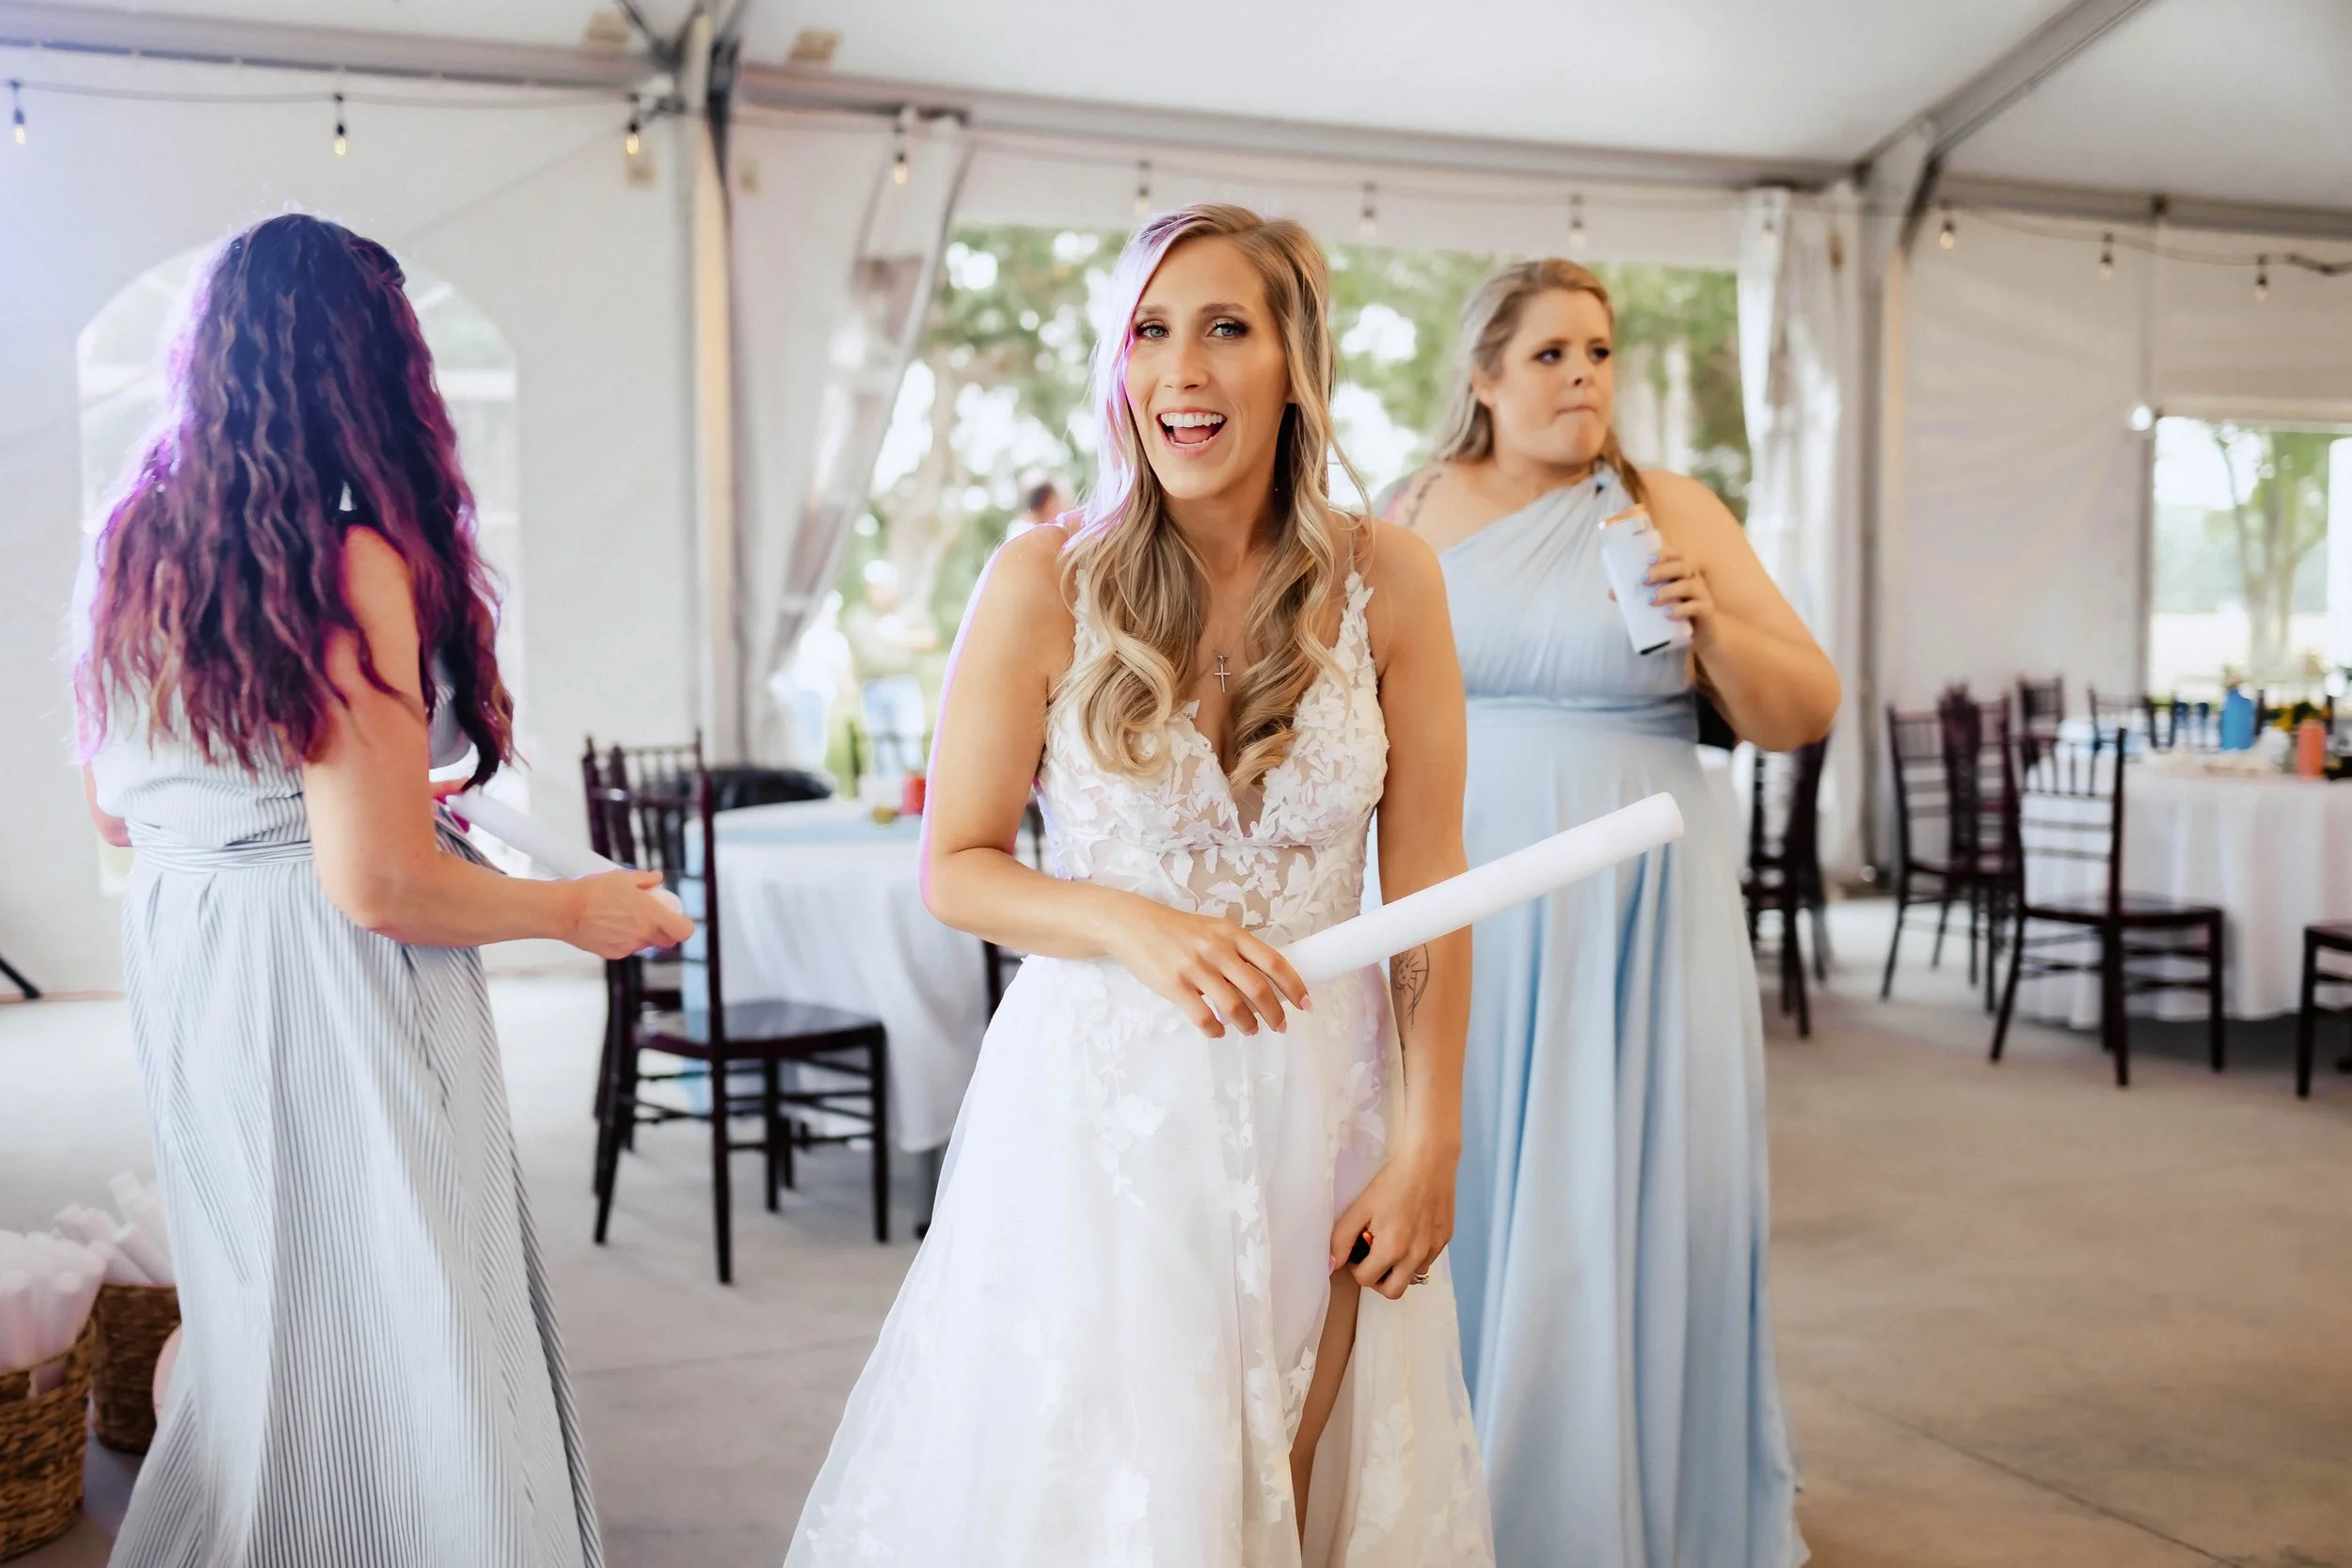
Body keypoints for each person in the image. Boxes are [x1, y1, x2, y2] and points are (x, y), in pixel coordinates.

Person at [785, 204, 1492, 1565]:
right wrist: (1124, 919)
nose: (1182, 371)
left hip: (1326, 1104)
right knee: (1123, 1502)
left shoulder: (1392, 578)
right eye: (1149, 332)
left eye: (1227, 328)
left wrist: (1428, 1139)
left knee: (1292, 1485)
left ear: (1296, 359)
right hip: (1105, 1115)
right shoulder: (1042, 578)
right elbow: (960, 867)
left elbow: (1432, 883)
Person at [74, 214, 691, 1566]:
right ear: (369, 367)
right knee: (414, 1297)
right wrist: (572, 910)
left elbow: (121, 803)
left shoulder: (134, 542)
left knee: (266, 1289)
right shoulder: (343, 558)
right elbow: (377, 882)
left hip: (192, 951)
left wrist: (336, 799)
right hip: (332, 978)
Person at [1381, 259, 1836, 1568]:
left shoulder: (1664, 507)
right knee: (1451, 1169)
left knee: (1635, 1184)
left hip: (1643, 899)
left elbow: (1802, 707)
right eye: (1550, 354)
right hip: (1457, 890)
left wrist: (1711, 637)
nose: (1585, 376)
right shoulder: (1407, 511)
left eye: (1600, 351)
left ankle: (1618, 1504)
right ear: (1482, 375)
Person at [841, 558, 937, 784]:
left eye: (883, 586)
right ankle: (890, 799)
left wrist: (902, 638)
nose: (878, 592)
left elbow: (930, 638)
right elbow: (851, 652)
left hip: (903, 685)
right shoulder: (858, 616)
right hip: (872, 687)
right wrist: (847, 681)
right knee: (880, 747)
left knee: (909, 743)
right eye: (873, 587)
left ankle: (915, 799)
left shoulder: (909, 611)